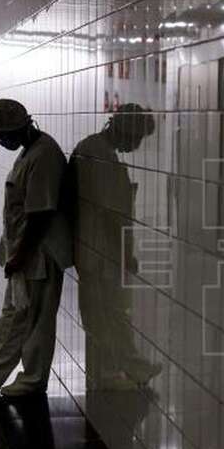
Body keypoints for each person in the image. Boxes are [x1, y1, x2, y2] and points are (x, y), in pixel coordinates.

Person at [0, 98, 73, 397]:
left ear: (18, 127)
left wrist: (20, 256)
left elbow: (40, 215)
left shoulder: (44, 155)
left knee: (36, 320)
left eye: (1, 136)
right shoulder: (30, 150)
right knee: (14, 316)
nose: (0, 141)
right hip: (26, 250)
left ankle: (32, 380)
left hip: (39, 253)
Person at [71, 103, 161, 390]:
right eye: (137, 138)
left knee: (107, 311)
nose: (136, 145)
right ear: (124, 131)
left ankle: (130, 367)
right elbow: (111, 214)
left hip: (94, 247)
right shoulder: (100, 156)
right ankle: (113, 371)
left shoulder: (94, 148)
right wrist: (125, 254)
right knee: (105, 312)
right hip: (101, 250)